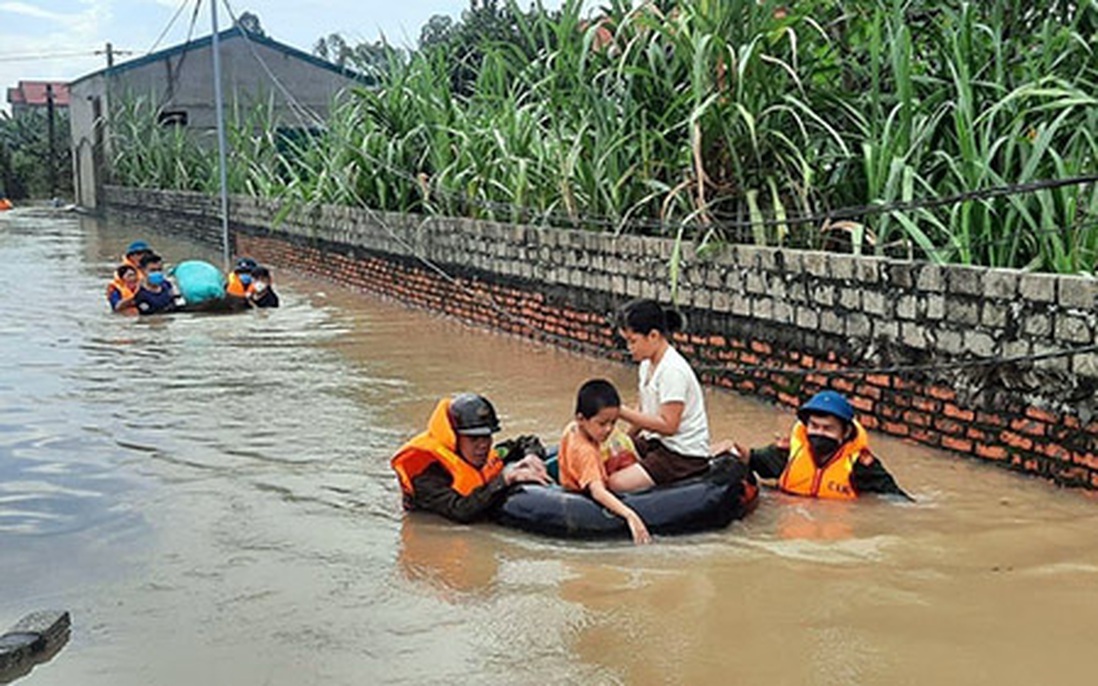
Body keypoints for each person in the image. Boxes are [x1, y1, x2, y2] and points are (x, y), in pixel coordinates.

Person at [391, 393, 550, 523]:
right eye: (473, 439)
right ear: (454, 438)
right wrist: (504, 480)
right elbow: (461, 511)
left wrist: (532, 455)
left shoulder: (490, 456)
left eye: (486, 437)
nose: (482, 446)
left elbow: (525, 442)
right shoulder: (427, 478)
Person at [608, 299, 713, 493]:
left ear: (653, 336)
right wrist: (626, 440)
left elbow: (669, 426)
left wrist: (620, 411)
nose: (629, 348)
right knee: (606, 457)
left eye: (633, 341)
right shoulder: (646, 364)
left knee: (616, 483)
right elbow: (643, 411)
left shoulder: (672, 370)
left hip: (682, 455)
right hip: (656, 443)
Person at [738, 390, 910, 500]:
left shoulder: (861, 465)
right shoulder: (787, 454)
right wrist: (730, 449)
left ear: (846, 432)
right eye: (814, 426)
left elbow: (895, 499)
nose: (819, 433)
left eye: (828, 428)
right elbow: (751, 458)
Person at [559, 379, 651, 544]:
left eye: (613, 422)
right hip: (582, 497)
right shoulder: (585, 452)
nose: (609, 429)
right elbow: (598, 492)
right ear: (581, 419)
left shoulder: (573, 428)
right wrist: (630, 515)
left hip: (571, 480)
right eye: (602, 424)